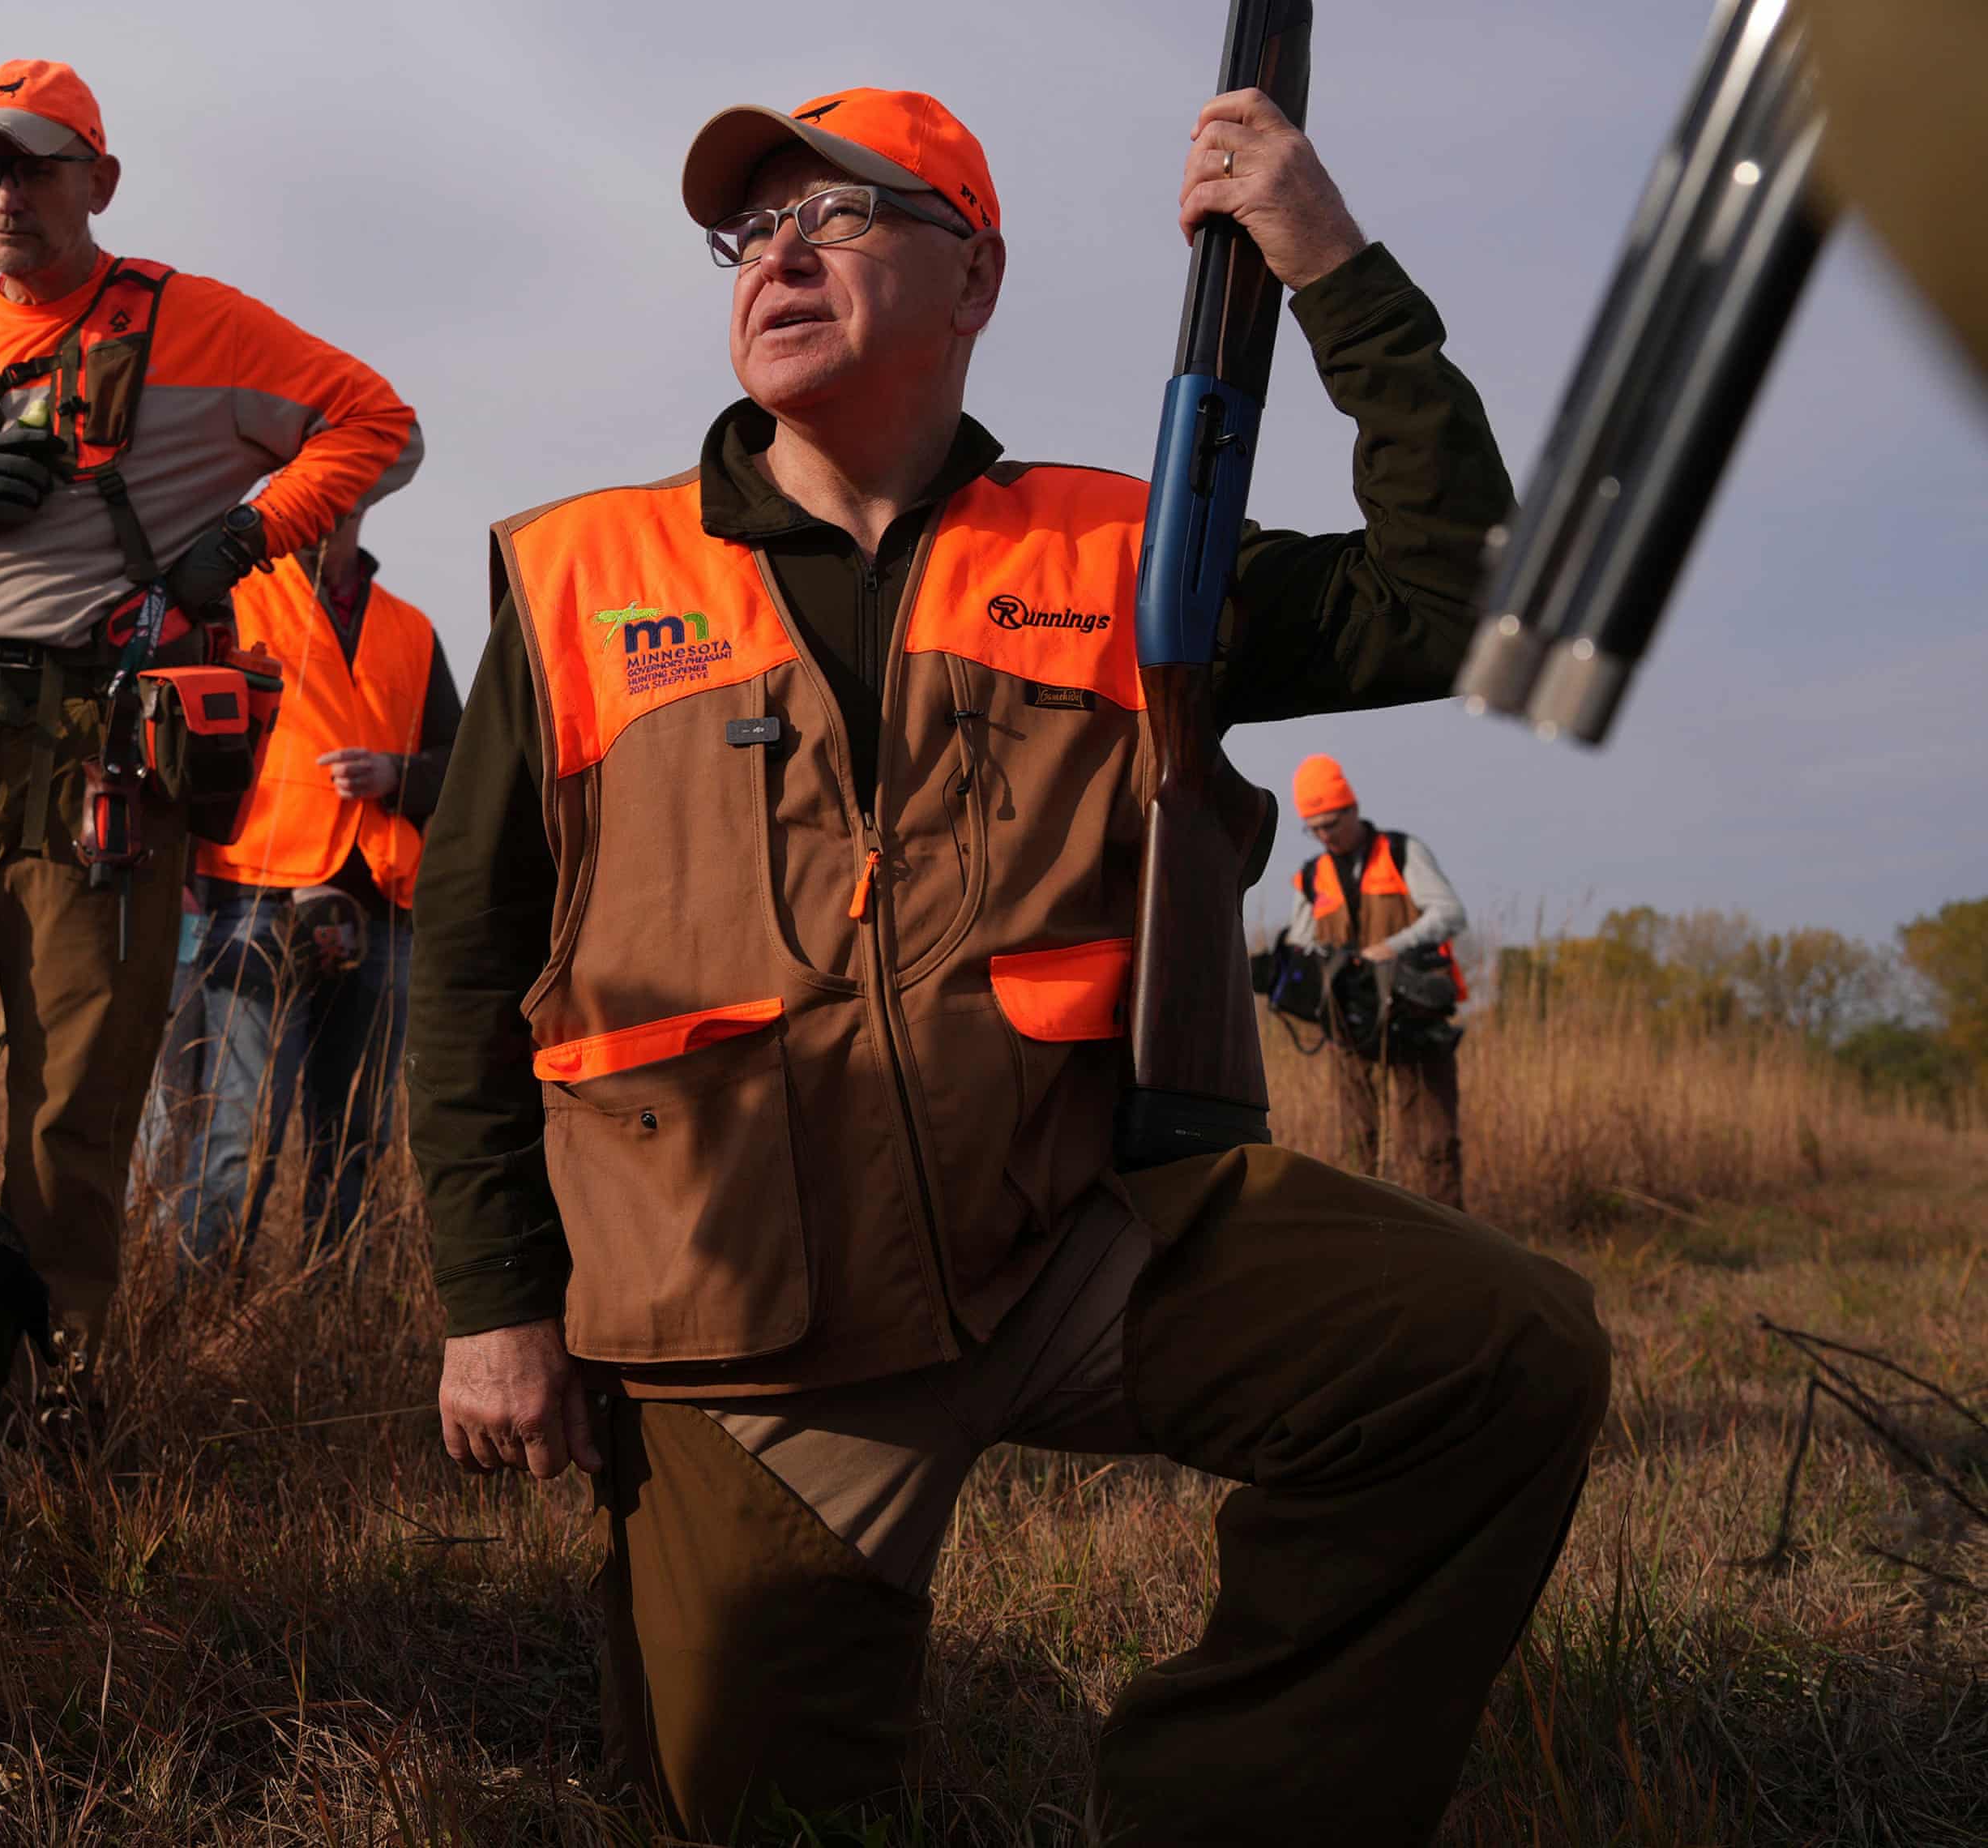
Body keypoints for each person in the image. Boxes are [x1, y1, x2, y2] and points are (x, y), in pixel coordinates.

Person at [406, 87, 1611, 1843]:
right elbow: (463, 967)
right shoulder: (579, 577)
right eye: (751, 232)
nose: (779, 256)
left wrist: (1330, 265)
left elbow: (1469, 589)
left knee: (1499, 1355)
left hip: (1073, 1246)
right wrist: (496, 1303)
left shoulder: (1124, 558)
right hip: (743, 1332)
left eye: (839, 214)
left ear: (971, 279)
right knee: (747, 1805)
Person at [0, 60, 420, 1407]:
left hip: (100, 769)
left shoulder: (194, 324)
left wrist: (248, 536)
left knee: (74, 1119)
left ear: (101, 181)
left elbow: (380, 425)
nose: (6, 192)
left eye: (35, 165)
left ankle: (37, 1406)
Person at [178, 509, 460, 1268]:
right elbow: (182, 737)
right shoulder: (233, 601)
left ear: (366, 496)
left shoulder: (411, 628)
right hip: (254, 894)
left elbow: (460, 760)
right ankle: (201, 1311)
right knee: (242, 1131)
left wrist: (397, 774)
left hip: (382, 902)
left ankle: (333, 1319)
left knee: (358, 1131)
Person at [1282, 752, 1470, 1208]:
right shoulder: (1311, 877)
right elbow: (1300, 951)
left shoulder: (1403, 852)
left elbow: (1450, 913)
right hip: (1350, 1027)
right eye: (1315, 828)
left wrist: (1395, 946)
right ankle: (1368, 1240)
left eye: (1332, 823)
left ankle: (1445, 1243)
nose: (1326, 835)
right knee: (1358, 1144)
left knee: (1432, 1142)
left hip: (1414, 1017)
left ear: (1353, 807)